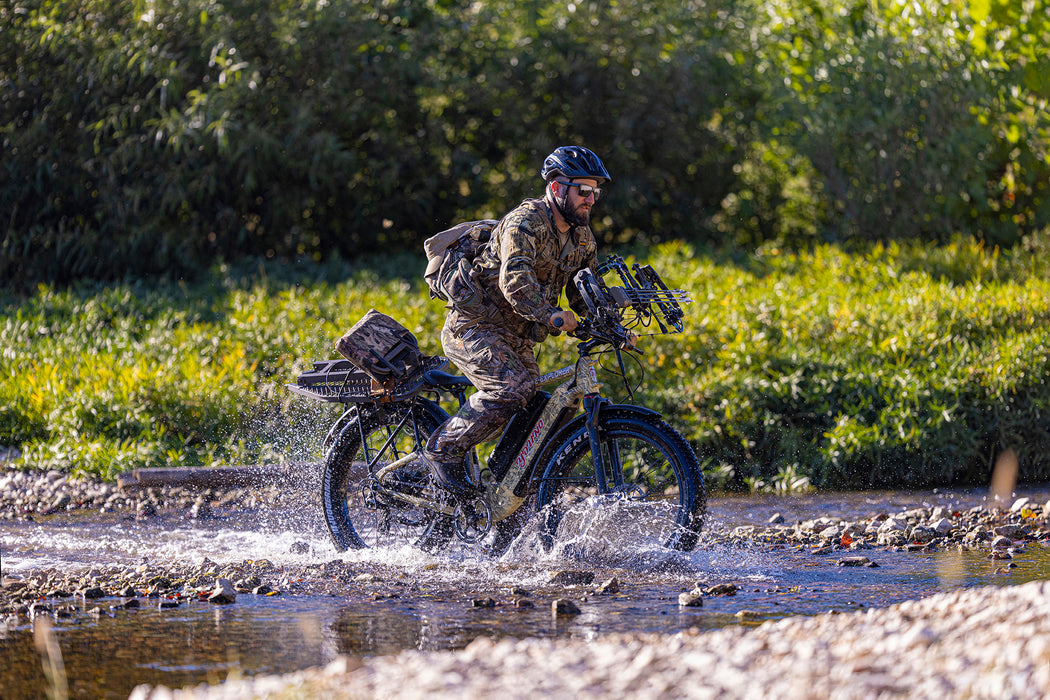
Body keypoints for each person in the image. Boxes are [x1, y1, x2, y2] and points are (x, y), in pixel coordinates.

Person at [420, 145, 612, 497]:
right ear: (557, 188)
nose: (591, 199)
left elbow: (586, 293)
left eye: (595, 192)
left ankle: (501, 494)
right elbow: (515, 282)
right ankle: (441, 451)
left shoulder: (582, 238)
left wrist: (613, 325)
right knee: (512, 389)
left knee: (537, 405)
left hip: (517, 338)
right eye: (583, 190)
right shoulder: (524, 223)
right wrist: (552, 315)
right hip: (474, 328)